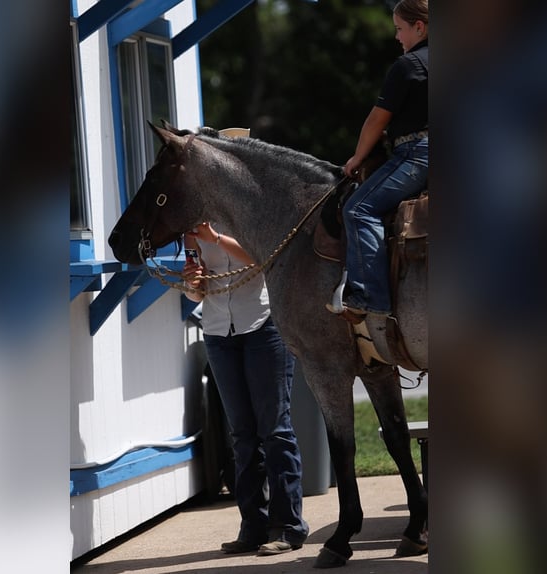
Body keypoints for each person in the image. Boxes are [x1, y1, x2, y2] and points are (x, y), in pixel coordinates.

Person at [182, 222, 309, 556]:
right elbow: (196, 289)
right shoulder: (191, 226)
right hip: (217, 332)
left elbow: (264, 257)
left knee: (275, 430)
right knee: (242, 435)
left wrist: (217, 239)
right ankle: (253, 527)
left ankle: (288, 527)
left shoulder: (245, 205)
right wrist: (191, 285)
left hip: (263, 326)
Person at [336, 0, 429, 321]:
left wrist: (356, 158)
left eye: (400, 29)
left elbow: (377, 120)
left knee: (359, 210)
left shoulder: (407, 66)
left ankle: (370, 297)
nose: (397, 38)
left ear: (420, 27)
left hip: (418, 153)